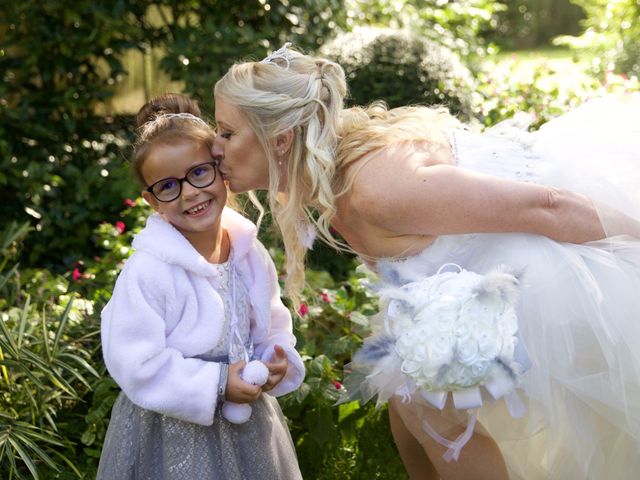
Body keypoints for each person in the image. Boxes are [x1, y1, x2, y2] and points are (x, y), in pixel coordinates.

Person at [211, 44, 640, 480]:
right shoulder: (326, 182)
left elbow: (548, 206)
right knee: (409, 408)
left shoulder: (376, 187)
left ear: (280, 140)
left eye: (226, 133)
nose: (214, 146)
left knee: (428, 411)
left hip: (554, 261)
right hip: (483, 278)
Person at [97, 93, 305, 480]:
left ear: (220, 169)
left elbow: (272, 320)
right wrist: (216, 383)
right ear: (152, 200)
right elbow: (135, 361)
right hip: (173, 434)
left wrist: (275, 357)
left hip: (249, 427)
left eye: (198, 173)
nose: (190, 193)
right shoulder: (149, 270)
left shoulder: (247, 252)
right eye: (168, 186)